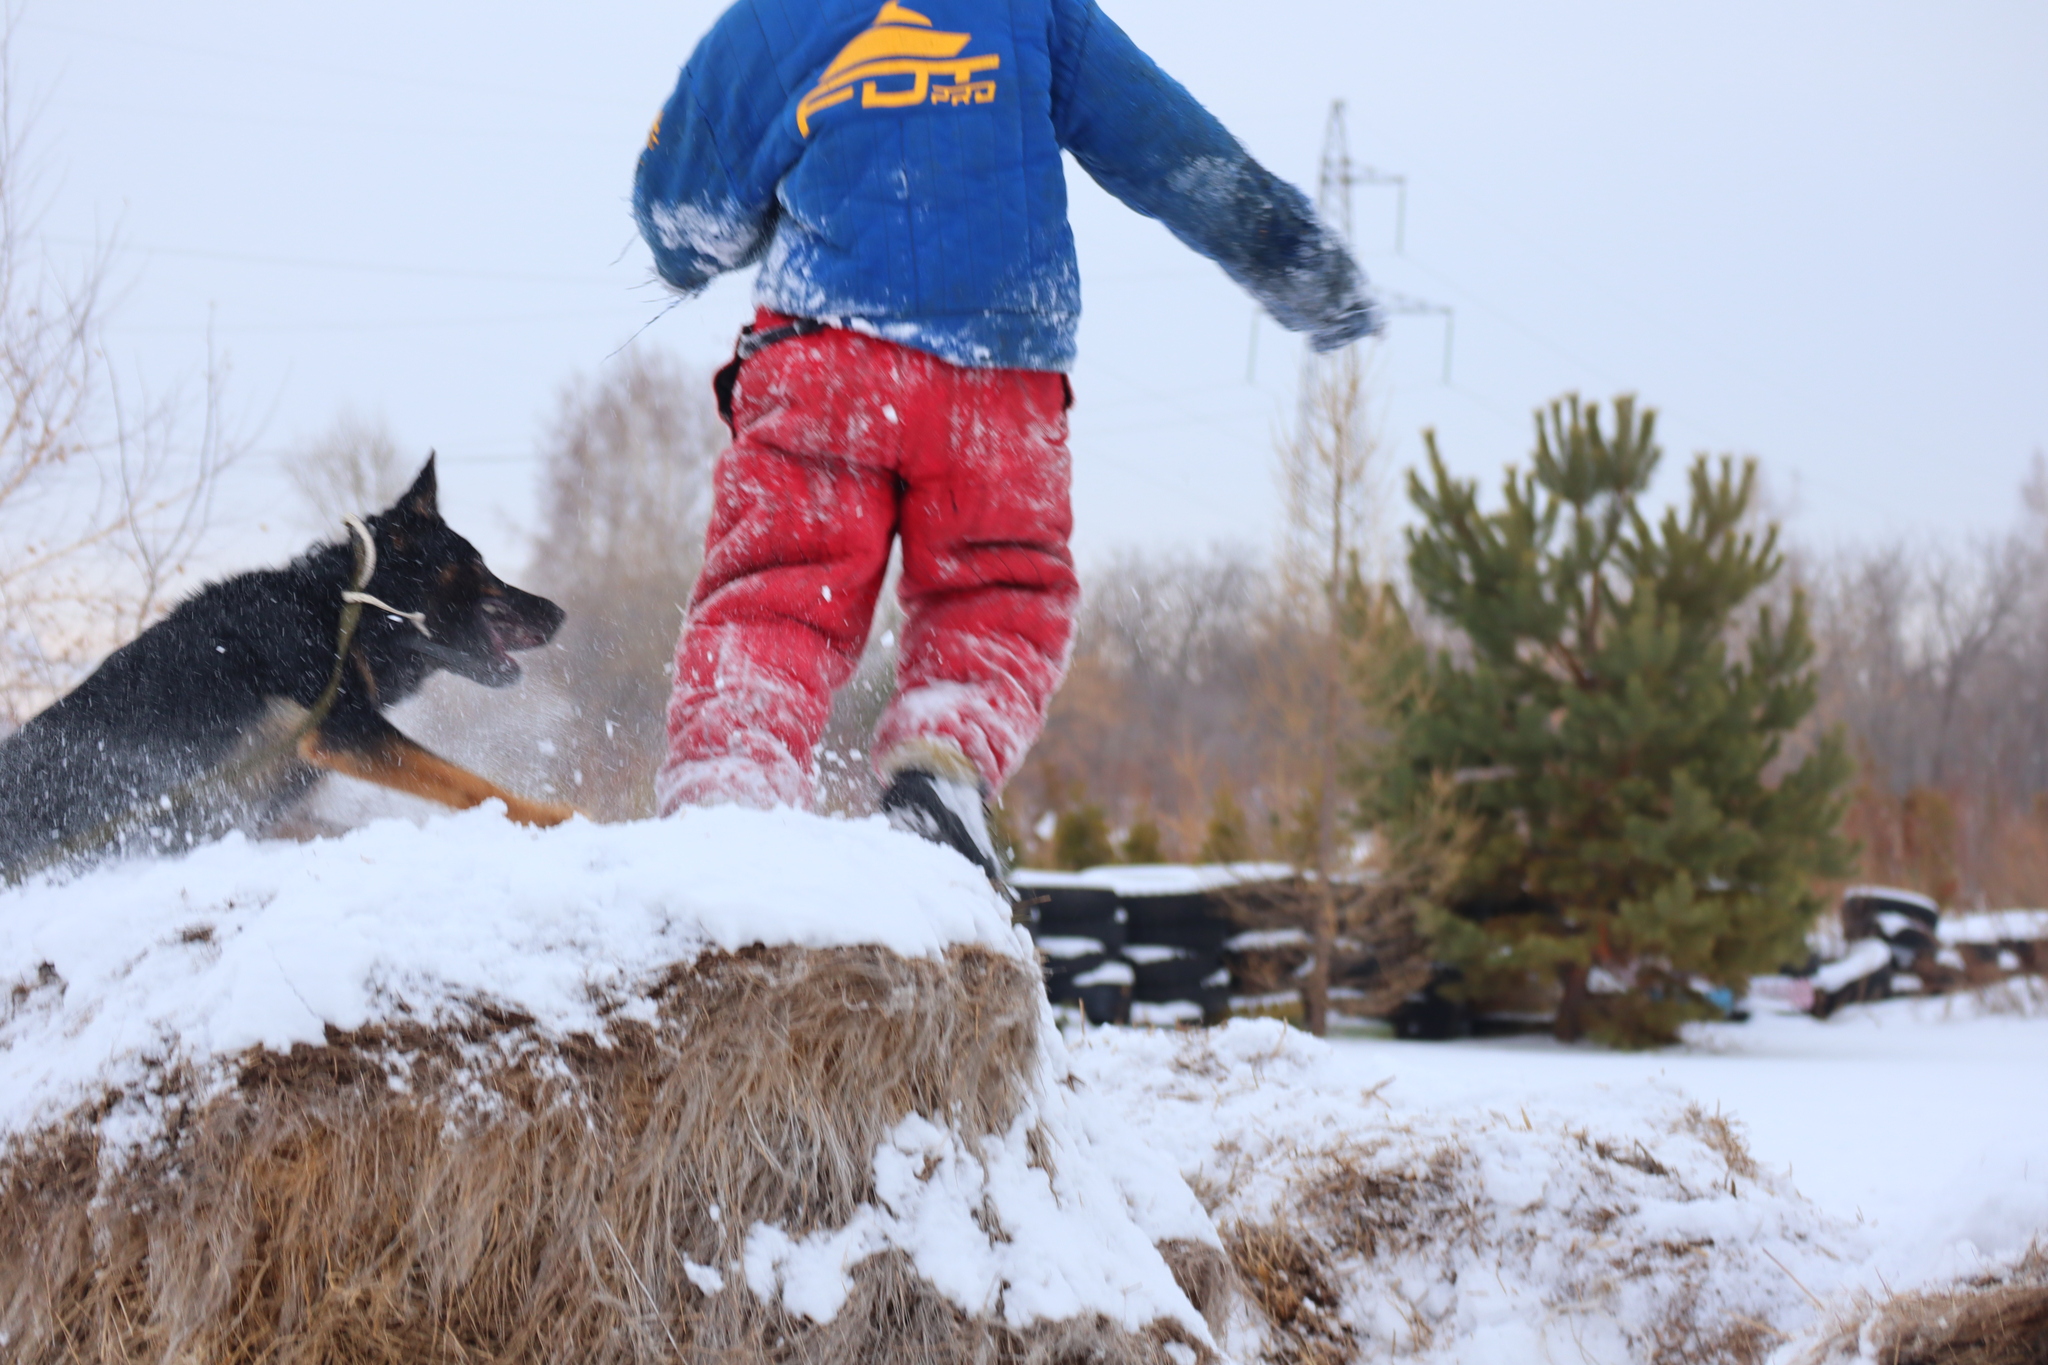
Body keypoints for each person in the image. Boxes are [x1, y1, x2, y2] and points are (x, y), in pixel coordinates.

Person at [633, 0, 1378, 880]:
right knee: (998, 589)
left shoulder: (778, 17)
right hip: (1000, 380)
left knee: (779, 592)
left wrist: (696, 246)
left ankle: (734, 785)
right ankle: (942, 764)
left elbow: (685, 203)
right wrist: (1288, 252)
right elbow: (1167, 143)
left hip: (826, 360)